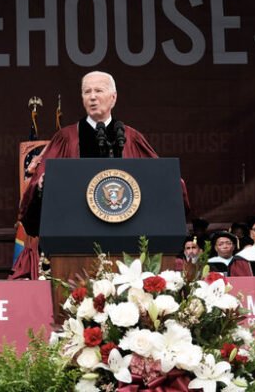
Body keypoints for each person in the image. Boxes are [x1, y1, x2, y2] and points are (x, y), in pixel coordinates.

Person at [12, 71, 185, 279]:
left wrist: (174, 185)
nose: (92, 96)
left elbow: (161, 181)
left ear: (113, 97)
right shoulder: (66, 138)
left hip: (129, 247)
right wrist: (41, 187)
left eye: (98, 90)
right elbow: (37, 187)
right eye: (87, 92)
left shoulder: (131, 138)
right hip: (74, 247)